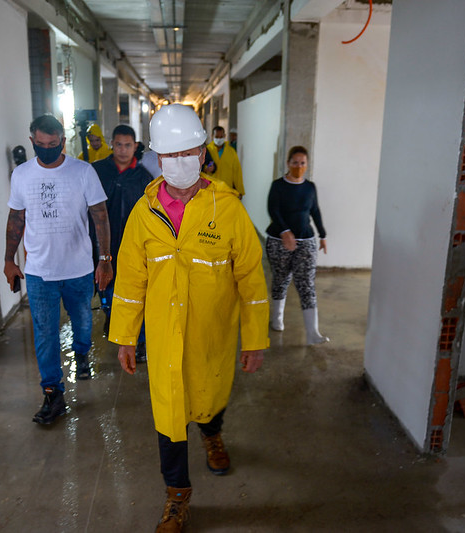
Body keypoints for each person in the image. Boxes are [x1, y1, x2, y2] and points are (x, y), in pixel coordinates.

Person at [109, 104, 269, 532]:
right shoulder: (143, 216)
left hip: (212, 333)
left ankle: (212, 432)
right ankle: (177, 495)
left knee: (210, 395)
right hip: (163, 339)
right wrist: (124, 336)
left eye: (189, 153)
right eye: (170, 155)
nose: (180, 163)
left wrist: (255, 339)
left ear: (203, 152)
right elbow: (129, 280)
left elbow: (251, 278)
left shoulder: (228, 210)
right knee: (169, 414)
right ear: (157, 158)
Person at [4, 114, 113, 425]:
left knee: (81, 322)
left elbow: (100, 215)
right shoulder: (22, 175)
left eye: (53, 144)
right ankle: (53, 393)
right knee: (45, 333)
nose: (47, 149)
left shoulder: (83, 171)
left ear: (63, 142)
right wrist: (9, 259)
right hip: (39, 271)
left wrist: (104, 260)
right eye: (41, 144)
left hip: (78, 269)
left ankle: (81, 353)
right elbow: (16, 218)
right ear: (32, 142)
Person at [90, 124, 154, 361]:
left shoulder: (144, 177)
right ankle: (112, 318)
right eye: (119, 144)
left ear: (135, 146)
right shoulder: (98, 171)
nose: (123, 150)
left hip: (134, 247)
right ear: (112, 144)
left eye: (128, 145)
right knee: (106, 292)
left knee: (138, 293)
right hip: (103, 246)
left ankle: (139, 342)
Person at [265, 145, 329, 345]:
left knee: (307, 285)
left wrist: (322, 234)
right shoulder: (278, 186)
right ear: (288, 163)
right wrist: (285, 231)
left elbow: (315, 211)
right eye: (295, 163)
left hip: (306, 241)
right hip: (278, 241)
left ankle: (313, 333)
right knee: (281, 279)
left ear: (307, 165)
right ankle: (277, 319)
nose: (299, 167)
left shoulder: (310, 187)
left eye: (302, 163)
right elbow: (273, 210)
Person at [205, 126, 245, 197]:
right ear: (212, 136)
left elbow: (237, 171)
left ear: (225, 136)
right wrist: (206, 168)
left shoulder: (231, 152)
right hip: (211, 190)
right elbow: (201, 167)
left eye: (221, 136)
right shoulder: (207, 151)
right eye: (217, 137)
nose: (219, 139)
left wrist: (239, 190)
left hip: (227, 190)